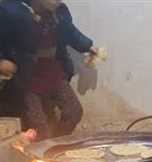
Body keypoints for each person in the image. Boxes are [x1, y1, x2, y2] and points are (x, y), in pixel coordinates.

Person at [0, 0, 98, 140]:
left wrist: (87, 46)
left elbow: (70, 31)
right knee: (38, 126)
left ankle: (55, 144)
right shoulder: (10, 12)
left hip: (53, 71)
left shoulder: (60, 11)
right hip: (26, 77)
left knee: (74, 111)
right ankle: (40, 152)